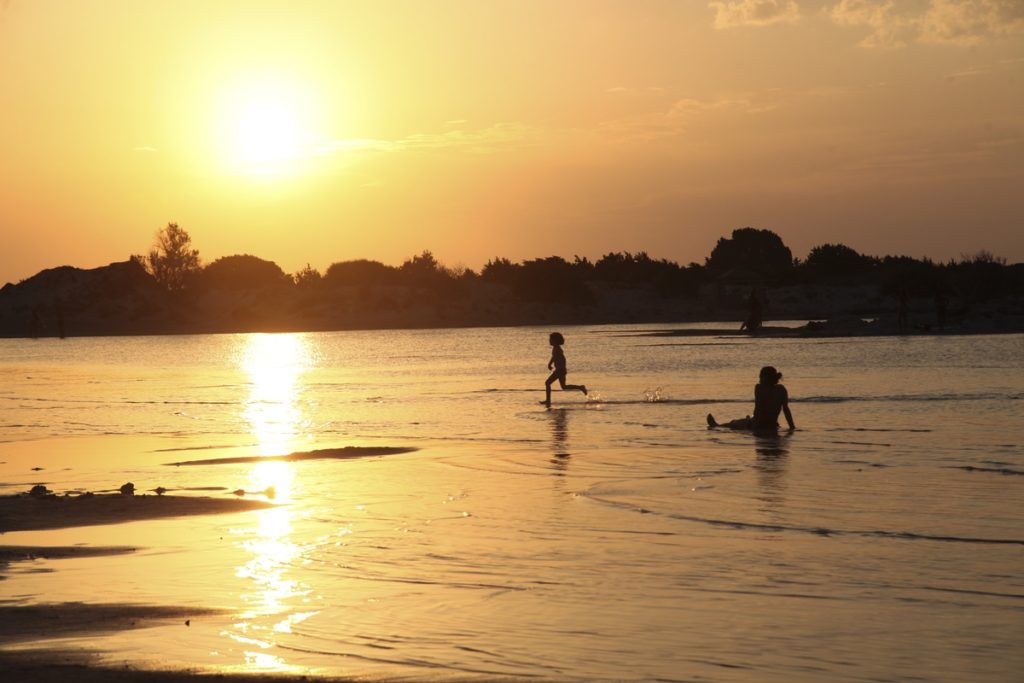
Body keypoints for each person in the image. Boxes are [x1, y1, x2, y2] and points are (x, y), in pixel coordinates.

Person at [707, 366, 795, 432]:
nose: (759, 379)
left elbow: (759, 408)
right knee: (747, 419)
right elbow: (786, 410)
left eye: (760, 377)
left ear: (764, 378)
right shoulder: (781, 389)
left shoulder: (759, 388)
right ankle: (748, 419)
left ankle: (715, 425)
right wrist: (792, 427)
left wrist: (752, 422)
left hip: (757, 424)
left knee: (733, 424)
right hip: (772, 424)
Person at [543, 332, 588, 406]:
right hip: (561, 370)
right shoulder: (556, 348)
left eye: (551, 340)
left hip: (559, 370)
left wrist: (551, 365)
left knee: (547, 383)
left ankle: (548, 401)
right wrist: (550, 364)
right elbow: (554, 357)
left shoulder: (557, 349)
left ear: (555, 340)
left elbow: (558, 358)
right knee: (564, 387)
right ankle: (580, 387)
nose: (549, 341)